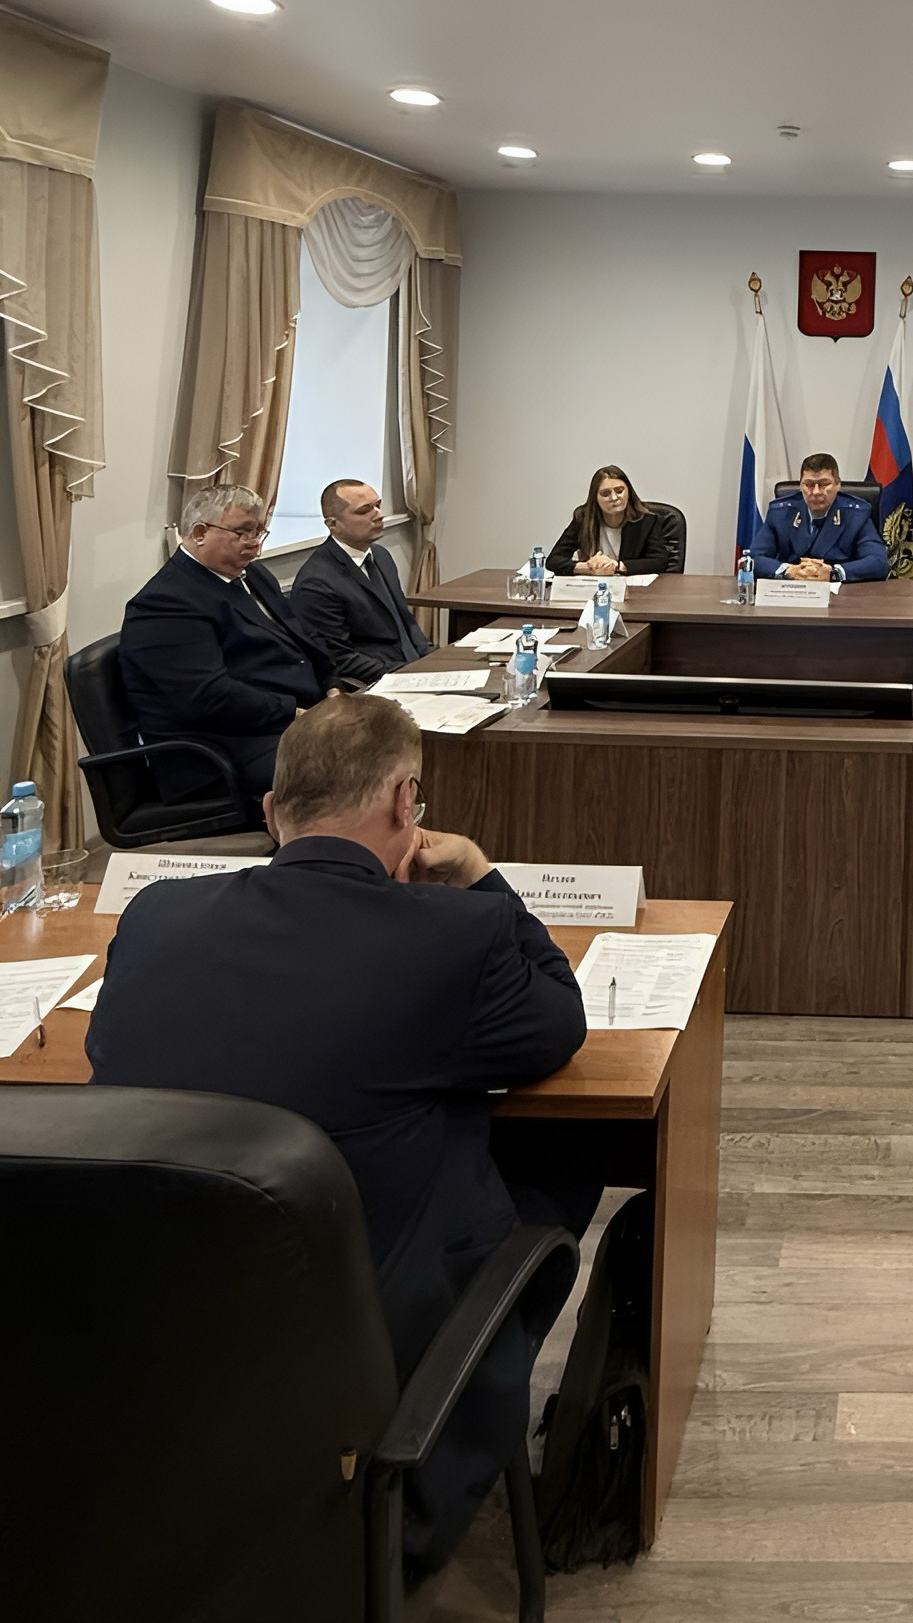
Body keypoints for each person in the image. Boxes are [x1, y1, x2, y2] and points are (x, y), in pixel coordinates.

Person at [87, 694, 592, 1580]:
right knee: (563, 1161)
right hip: (348, 1336)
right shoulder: (452, 933)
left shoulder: (156, 915)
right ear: (405, 801)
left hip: (153, 1331)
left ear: (270, 811)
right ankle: (433, 1472)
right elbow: (558, 1021)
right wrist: (480, 875)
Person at [120, 483, 335, 801]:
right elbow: (210, 697)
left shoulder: (254, 576)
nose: (254, 543)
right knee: (355, 763)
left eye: (258, 531)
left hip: (285, 720)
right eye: (242, 532)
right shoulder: (166, 602)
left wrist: (332, 686)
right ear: (199, 533)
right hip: (222, 750)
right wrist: (297, 713)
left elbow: (304, 636)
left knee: (388, 734)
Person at [289, 477, 433, 683]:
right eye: (364, 510)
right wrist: (404, 677)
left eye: (378, 505)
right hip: (376, 681)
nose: (379, 515)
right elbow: (339, 658)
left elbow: (405, 621)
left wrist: (432, 660)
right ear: (332, 524)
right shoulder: (316, 582)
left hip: (413, 669)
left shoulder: (381, 555)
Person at [752, 453, 888, 581]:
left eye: (824, 484)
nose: (816, 492)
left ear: (838, 485)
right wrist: (788, 571)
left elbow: (878, 562)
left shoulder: (856, 516)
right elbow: (754, 557)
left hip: (840, 593)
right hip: (791, 589)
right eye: (809, 485)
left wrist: (834, 573)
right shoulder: (780, 513)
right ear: (800, 486)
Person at [548, 463, 686, 576]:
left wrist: (617, 566)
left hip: (634, 590)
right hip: (594, 587)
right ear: (595, 498)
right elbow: (554, 560)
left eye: (619, 491)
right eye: (605, 494)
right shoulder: (583, 518)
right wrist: (588, 567)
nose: (614, 498)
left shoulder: (646, 519)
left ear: (629, 492)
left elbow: (659, 561)